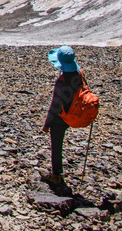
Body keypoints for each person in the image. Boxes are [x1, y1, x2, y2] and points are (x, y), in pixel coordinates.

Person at [42, 45, 83, 187]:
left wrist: (47, 123)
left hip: (60, 118)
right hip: (72, 115)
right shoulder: (79, 76)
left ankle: (56, 174)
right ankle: (57, 172)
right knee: (59, 142)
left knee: (56, 145)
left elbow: (55, 105)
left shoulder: (61, 82)